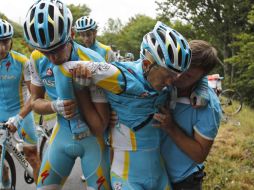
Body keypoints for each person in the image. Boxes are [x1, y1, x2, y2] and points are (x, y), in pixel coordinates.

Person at [71, 21, 191, 190]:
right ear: (147, 65)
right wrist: (83, 88)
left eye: (176, 76)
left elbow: (202, 76)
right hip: (127, 177)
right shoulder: (121, 76)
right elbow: (65, 66)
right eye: (168, 75)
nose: (172, 82)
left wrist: (201, 90)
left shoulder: (167, 84)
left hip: (159, 174)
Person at [23, 0, 110, 189]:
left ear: (71, 34)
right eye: (46, 52)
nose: (52, 58)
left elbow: (100, 127)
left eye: (57, 49)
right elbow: (35, 101)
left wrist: (80, 92)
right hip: (61, 133)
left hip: (93, 140)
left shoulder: (93, 61)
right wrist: (53, 106)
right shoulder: (37, 59)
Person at [154, 40, 222, 190]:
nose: (177, 76)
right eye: (179, 68)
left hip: (183, 180)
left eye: (188, 76)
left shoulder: (208, 107)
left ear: (202, 76)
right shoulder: (165, 81)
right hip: (153, 173)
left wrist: (171, 127)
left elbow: (199, 155)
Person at [0, 18, 40, 184]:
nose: (2, 48)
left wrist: (19, 117)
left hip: (22, 114)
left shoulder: (23, 61)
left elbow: (35, 95)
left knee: (31, 156)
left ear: (11, 41)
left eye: (5, 41)